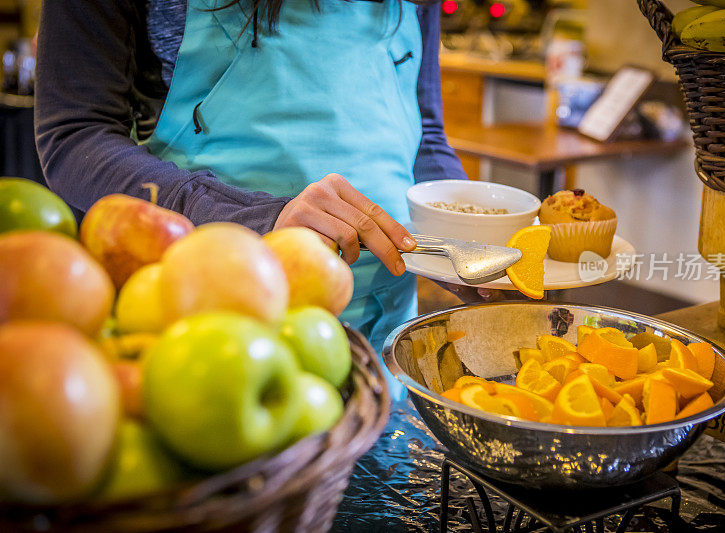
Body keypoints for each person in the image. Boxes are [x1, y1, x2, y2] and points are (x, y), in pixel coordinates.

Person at [35, 0, 502, 393]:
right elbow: (76, 133)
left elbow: (425, 133)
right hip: (203, 337)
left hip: (385, 348)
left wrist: (461, 243)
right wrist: (255, 217)